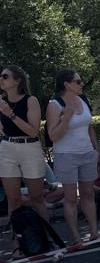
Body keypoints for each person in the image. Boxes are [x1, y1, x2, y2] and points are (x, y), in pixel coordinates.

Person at [46, 69, 99, 243]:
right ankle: (76, 237)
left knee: (88, 193)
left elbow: (89, 127)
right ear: (66, 84)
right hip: (66, 155)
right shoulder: (55, 105)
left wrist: (95, 149)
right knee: (70, 198)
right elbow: (53, 136)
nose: (82, 84)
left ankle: (94, 233)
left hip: (87, 153)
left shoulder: (83, 99)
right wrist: (66, 118)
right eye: (77, 81)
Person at [0, 65, 48, 229]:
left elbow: (33, 131)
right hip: (7, 147)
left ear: (17, 80)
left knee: (37, 197)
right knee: (13, 200)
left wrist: (10, 114)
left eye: (5, 76)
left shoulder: (30, 100)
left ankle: (45, 236)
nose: (1, 79)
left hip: (29, 147)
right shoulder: (1, 101)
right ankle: (18, 241)